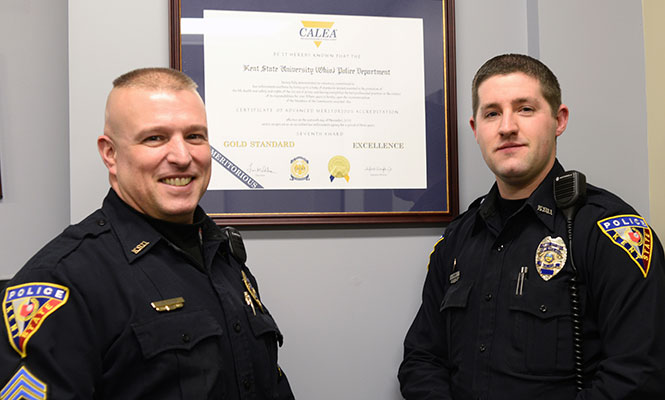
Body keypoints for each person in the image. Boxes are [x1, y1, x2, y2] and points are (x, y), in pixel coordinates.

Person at [0, 68, 295, 399]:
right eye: (155, 138)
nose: (182, 157)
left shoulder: (222, 255)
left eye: (195, 136)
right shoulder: (64, 279)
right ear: (110, 154)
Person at [398, 54, 665, 399]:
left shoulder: (607, 232)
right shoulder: (457, 240)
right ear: (476, 129)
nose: (507, 126)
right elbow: (422, 359)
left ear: (559, 119)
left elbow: (640, 376)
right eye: (492, 113)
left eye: (525, 109)